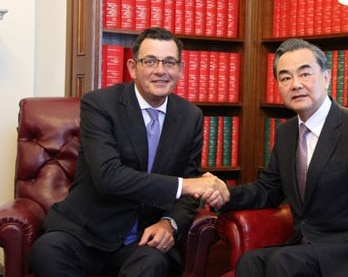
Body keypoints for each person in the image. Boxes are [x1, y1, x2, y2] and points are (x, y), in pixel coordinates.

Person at [204, 38, 348, 277]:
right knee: (250, 262)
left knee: (284, 261)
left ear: (326, 78)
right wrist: (224, 194)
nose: (295, 85)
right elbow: (267, 190)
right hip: (306, 245)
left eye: (305, 74)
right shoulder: (286, 133)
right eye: (285, 78)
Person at [29, 27, 229, 277]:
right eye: (150, 61)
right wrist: (188, 185)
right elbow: (108, 176)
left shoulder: (191, 116)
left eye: (170, 62)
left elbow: (188, 197)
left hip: (142, 238)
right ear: (133, 67)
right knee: (47, 252)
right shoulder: (100, 105)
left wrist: (170, 223)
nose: (160, 71)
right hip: (85, 232)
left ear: (180, 69)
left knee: (153, 264)